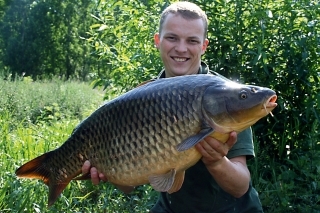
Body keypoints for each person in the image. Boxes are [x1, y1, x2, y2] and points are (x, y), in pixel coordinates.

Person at [82, 2, 263, 212]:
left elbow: (241, 186)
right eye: (172, 38)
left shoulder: (225, 97)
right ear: (157, 41)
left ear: (204, 46)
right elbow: (129, 185)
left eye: (192, 40)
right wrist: (109, 171)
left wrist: (216, 162)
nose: (181, 48)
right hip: (173, 207)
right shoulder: (142, 100)